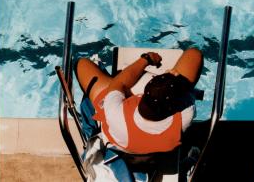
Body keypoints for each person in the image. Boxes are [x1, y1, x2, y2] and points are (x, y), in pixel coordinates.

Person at [75, 48, 203, 154]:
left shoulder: (117, 115)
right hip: (156, 153)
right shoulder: (185, 114)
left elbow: (119, 83)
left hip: (121, 135)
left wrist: (146, 59)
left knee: (82, 64)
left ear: (144, 92)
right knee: (194, 55)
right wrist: (175, 78)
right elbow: (192, 63)